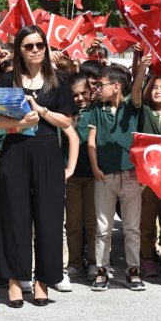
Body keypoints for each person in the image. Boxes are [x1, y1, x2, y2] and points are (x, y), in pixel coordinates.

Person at [0, 25, 77, 308]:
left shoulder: (58, 81)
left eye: (39, 44)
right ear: (19, 50)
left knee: (49, 220)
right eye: (28, 46)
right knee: (15, 218)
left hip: (48, 154)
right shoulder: (6, 80)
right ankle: (15, 282)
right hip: (15, 153)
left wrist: (41, 111)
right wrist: (21, 123)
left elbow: (67, 122)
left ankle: (43, 282)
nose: (35, 50)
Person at [88, 64, 145, 292]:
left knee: (132, 228)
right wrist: (94, 167)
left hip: (130, 175)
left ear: (116, 86)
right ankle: (102, 270)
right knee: (103, 228)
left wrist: (144, 66)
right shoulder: (95, 109)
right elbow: (91, 141)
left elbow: (138, 86)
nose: (97, 89)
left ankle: (133, 271)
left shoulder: (131, 106)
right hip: (104, 175)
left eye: (101, 85)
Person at [133, 52, 161, 276]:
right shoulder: (145, 112)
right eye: (156, 87)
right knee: (147, 221)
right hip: (147, 178)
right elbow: (137, 91)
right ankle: (147, 257)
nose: (158, 90)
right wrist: (142, 67)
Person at [63, 73, 96, 281]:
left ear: (92, 92)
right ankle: (74, 262)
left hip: (94, 176)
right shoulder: (65, 115)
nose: (80, 98)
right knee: (73, 224)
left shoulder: (96, 112)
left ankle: (94, 262)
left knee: (93, 224)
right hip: (72, 178)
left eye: (84, 93)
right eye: (74, 94)